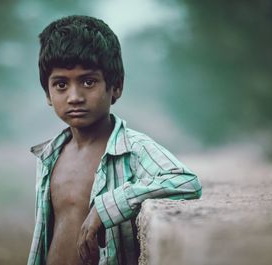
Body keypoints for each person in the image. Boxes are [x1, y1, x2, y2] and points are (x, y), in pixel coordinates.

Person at [27, 15, 202, 265]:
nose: (74, 96)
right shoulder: (49, 156)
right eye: (61, 84)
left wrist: (106, 207)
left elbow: (186, 182)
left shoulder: (132, 149)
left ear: (116, 87)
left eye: (88, 81)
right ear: (47, 93)